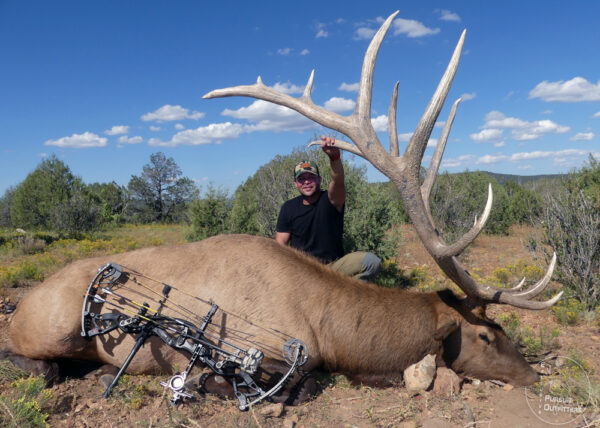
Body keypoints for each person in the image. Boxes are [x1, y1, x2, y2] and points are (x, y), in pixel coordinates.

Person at [275, 136, 381, 281]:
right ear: (295, 183)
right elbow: (280, 247)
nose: (306, 182)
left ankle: (346, 298)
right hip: (302, 272)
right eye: (301, 179)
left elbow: (338, 180)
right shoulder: (288, 208)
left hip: (333, 268)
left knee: (371, 262)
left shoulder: (331, 199)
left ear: (319, 179)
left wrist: (334, 157)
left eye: (311, 177)